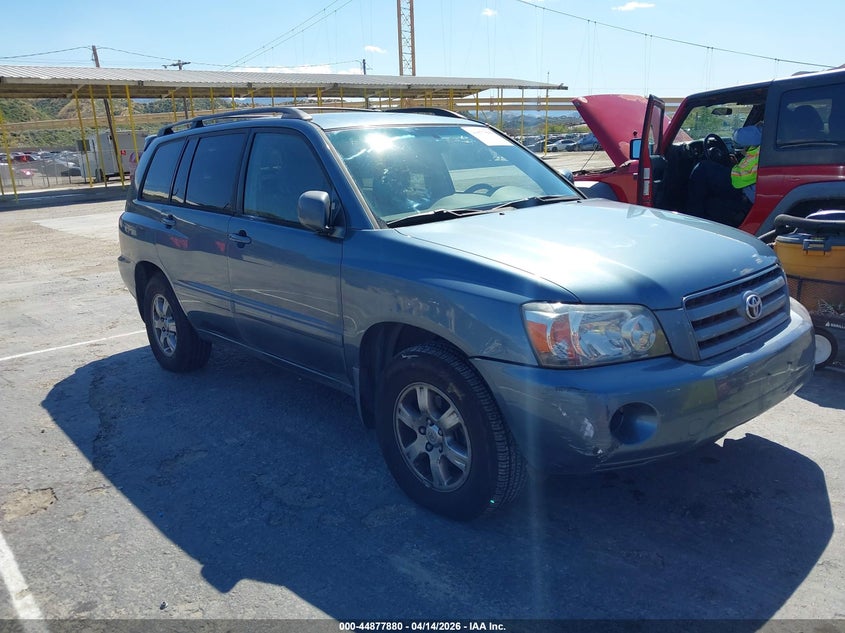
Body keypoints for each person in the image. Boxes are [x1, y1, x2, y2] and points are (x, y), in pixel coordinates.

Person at [730, 123, 762, 204]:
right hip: (753, 182)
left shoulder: (768, 129)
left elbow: (739, 136)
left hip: (747, 188)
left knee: (703, 168)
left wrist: (734, 134)